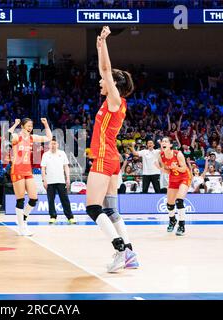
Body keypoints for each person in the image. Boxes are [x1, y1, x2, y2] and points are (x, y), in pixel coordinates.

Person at [86, 26, 138, 273]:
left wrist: (104, 42)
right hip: (112, 158)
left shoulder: (114, 101)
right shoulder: (115, 102)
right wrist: (98, 48)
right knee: (110, 209)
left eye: (105, 81)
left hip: (104, 157)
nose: (100, 81)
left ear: (114, 85)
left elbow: (106, 71)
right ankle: (130, 253)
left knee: (92, 208)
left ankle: (118, 250)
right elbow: (103, 71)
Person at [8, 117, 52, 236]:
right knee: (20, 199)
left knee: (33, 198)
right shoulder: (17, 137)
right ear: (22, 126)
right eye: (28, 126)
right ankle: (22, 227)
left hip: (28, 170)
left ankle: (22, 218)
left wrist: (46, 125)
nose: (30, 128)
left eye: (31, 126)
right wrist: (15, 124)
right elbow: (7, 137)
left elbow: (48, 138)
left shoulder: (32, 138)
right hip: (17, 169)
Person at [156, 137, 191, 236]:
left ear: (170, 145)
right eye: (162, 141)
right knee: (169, 204)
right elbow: (167, 170)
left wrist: (176, 167)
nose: (163, 142)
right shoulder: (161, 156)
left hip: (184, 177)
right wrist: (160, 168)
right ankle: (172, 220)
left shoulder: (178, 154)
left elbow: (184, 169)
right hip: (173, 177)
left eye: (166, 141)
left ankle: (182, 225)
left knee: (179, 201)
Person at [41, 137, 76, 224]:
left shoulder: (62, 153)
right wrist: (44, 180)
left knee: (65, 199)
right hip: (50, 181)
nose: (53, 145)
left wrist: (68, 178)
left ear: (58, 145)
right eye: (51, 143)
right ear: (49, 145)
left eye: (54, 144)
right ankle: (53, 216)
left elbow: (66, 166)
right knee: (50, 200)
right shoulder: (45, 155)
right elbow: (43, 168)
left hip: (61, 180)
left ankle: (70, 217)